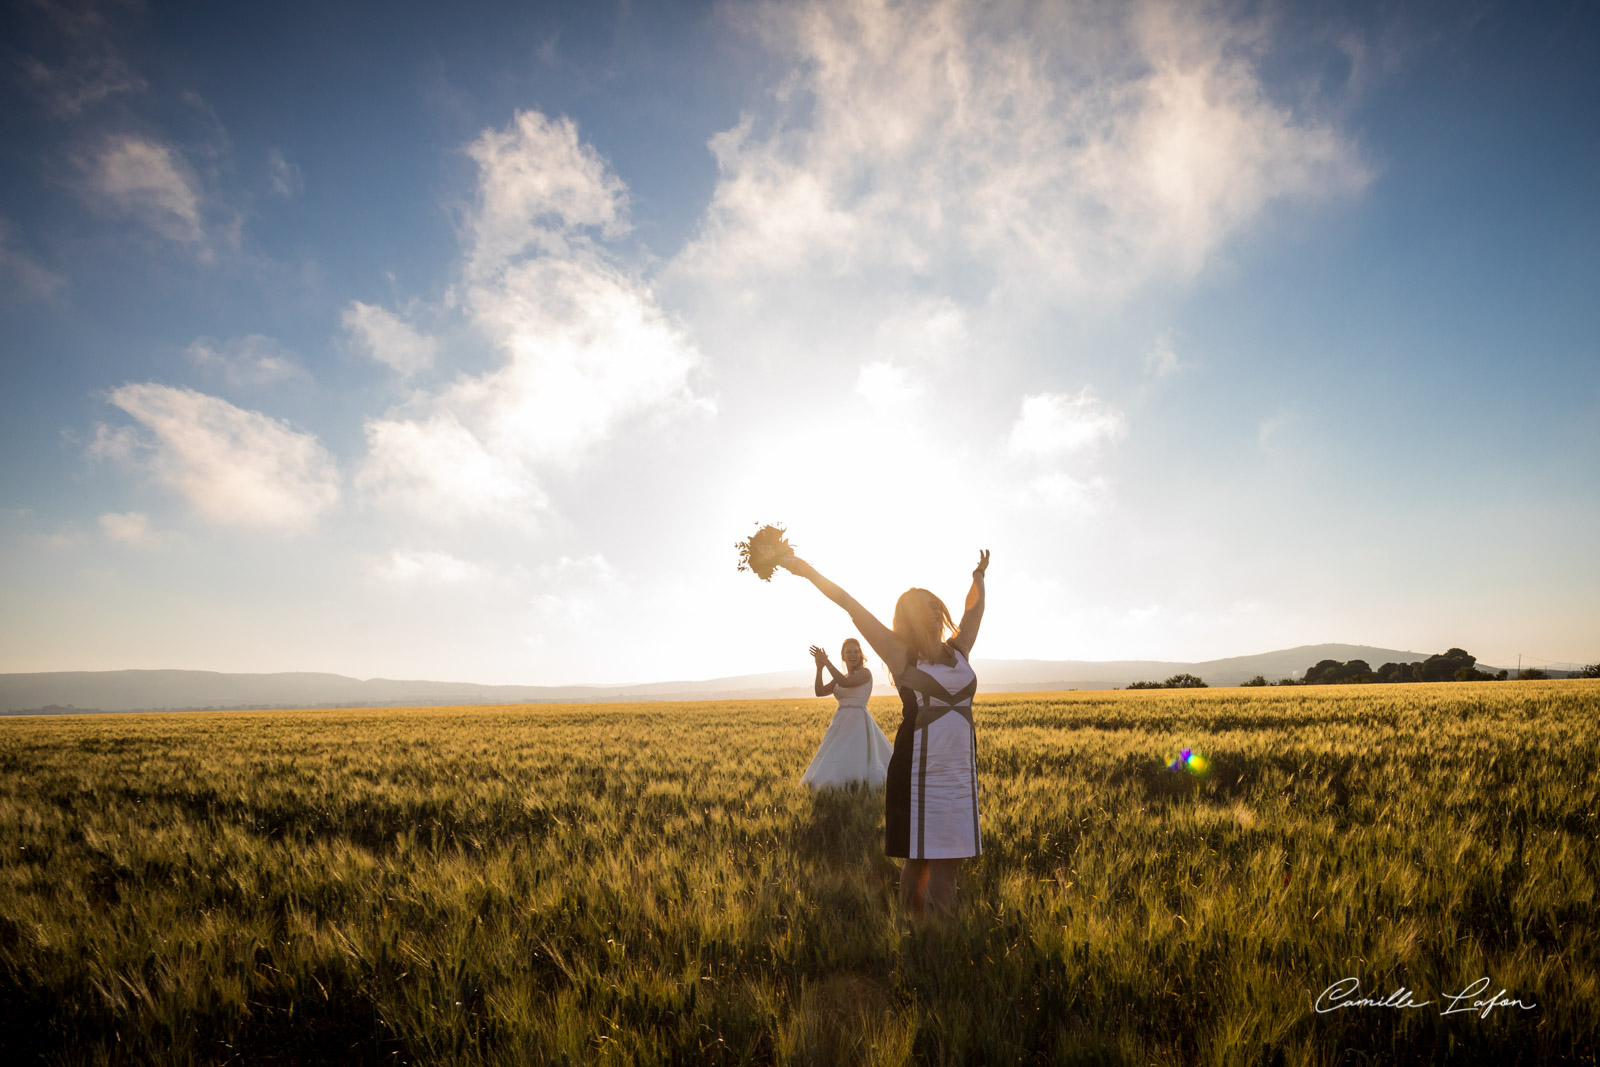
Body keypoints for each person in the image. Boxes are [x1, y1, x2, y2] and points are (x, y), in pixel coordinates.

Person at [777, 549, 989, 918]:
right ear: (907, 619)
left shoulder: (960, 650)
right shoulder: (899, 652)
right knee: (923, 861)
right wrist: (802, 568)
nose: (934, 612)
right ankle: (923, 933)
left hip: (959, 773)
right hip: (919, 770)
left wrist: (979, 579)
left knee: (944, 862)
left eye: (935, 605)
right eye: (922, 607)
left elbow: (973, 612)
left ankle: (924, 936)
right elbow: (849, 604)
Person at [800, 638, 892, 789]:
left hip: (859, 722)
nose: (852, 654)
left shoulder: (865, 673)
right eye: (848, 651)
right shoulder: (840, 677)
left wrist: (827, 663)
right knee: (837, 755)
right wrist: (820, 667)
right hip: (840, 722)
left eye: (856, 651)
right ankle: (834, 787)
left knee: (856, 755)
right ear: (843, 655)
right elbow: (820, 692)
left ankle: (857, 786)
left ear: (861, 654)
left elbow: (845, 683)